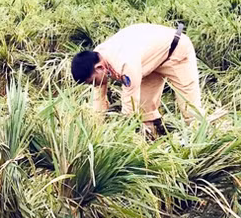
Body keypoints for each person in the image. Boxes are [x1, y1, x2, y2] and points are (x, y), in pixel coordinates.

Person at [70, 23, 202, 138]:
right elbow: (98, 100)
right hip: (147, 60)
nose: (95, 85)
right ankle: (154, 139)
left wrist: (123, 135)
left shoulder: (125, 63)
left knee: (189, 108)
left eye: (93, 82)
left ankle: (202, 142)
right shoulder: (97, 58)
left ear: (99, 68)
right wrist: (94, 130)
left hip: (176, 51)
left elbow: (129, 105)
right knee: (145, 109)